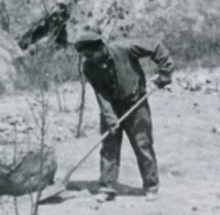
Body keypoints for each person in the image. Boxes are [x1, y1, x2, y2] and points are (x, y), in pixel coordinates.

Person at [73, 27, 174, 197]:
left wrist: (165, 72)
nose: (88, 59)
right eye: (85, 56)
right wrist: (110, 118)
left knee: (143, 144)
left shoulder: (124, 48)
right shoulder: (89, 66)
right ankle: (107, 186)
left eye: (90, 55)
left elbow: (156, 46)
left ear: (100, 48)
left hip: (136, 102)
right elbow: (101, 94)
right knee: (109, 146)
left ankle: (151, 185)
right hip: (112, 106)